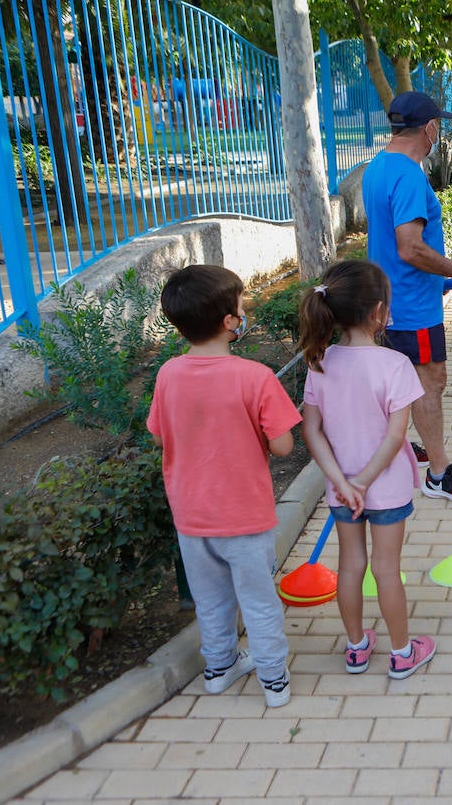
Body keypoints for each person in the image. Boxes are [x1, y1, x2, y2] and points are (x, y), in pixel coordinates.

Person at [147, 265, 301, 708]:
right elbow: (283, 446)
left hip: (192, 517)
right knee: (258, 600)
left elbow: (158, 435)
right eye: (240, 304)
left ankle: (218, 668)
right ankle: (273, 680)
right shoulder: (254, 377)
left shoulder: (168, 374)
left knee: (210, 600)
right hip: (244, 516)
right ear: (230, 322)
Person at [298, 260, 436, 680]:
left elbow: (311, 431)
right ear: (379, 312)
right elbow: (396, 438)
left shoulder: (320, 362)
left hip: (343, 493)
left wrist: (343, 482)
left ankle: (356, 648)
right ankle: (401, 652)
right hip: (386, 489)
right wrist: (363, 482)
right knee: (386, 569)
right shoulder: (395, 365)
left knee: (352, 565)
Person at [363, 91, 452, 503]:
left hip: (390, 300)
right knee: (429, 383)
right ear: (430, 128)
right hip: (412, 308)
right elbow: (409, 247)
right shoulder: (409, 175)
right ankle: (439, 473)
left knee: (406, 382)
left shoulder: (377, 167)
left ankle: (407, 446)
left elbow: (390, 248)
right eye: (439, 125)